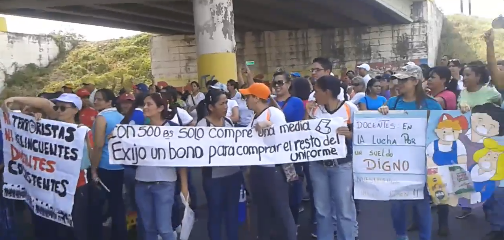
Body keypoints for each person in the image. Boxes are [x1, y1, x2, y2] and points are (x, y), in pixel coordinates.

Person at [3, 93, 92, 240]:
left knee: (75, 229)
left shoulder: (81, 132)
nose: (58, 111)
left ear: (76, 110)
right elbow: (44, 103)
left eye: (63, 108)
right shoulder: (49, 125)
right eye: (56, 107)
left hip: (75, 189)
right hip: (49, 187)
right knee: (55, 229)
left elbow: (87, 163)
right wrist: (14, 100)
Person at [378, 64, 442, 240]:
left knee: (421, 204)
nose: (398, 83)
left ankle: (425, 237)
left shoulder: (432, 105)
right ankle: (401, 235)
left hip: (422, 162)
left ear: (415, 81)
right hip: (397, 161)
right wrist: (381, 113)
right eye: (398, 79)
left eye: (404, 80)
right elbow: (380, 129)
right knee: (397, 204)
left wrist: (463, 111)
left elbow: (443, 130)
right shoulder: (392, 103)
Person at [239, 83, 297, 240]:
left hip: (274, 169)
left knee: (281, 209)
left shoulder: (273, 113)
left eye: (248, 96)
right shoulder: (254, 117)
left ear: (256, 98)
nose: (245, 100)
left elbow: (283, 136)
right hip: (259, 169)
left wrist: (268, 126)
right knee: (262, 210)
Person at [307, 75, 358, 240]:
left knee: (344, 209)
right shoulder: (314, 109)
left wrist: (350, 134)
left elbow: (364, 134)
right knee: (322, 210)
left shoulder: (350, 108)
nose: (314, 96)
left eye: (316, 91)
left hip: (342, 165)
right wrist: (307, 115)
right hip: (317, 165)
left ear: (327, 92)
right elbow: (304, 135)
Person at [134, 93, 189, 240]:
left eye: (149, 104)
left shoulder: (173, 129)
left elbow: (181, 159)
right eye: (144, 104)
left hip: (165, 184)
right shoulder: (138, 130)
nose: (145, 107)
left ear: (160, 108)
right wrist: (117, 140)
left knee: (164, 229)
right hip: (141, 183)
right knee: (148, 229)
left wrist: (184, 186)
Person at [196, 88, 242, 240]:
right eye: (222, 103)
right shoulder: (202, 126)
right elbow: (198, 153)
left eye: (226, 103)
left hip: (233, 175)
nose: (226, 107)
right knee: (215, 214)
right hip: (213, 178)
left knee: (232, 213)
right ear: (211, 107)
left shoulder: (229, 122)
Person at [89, 89, 128, 240]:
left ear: (109, 102)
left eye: (99, 99)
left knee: (99, 204)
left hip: (105, 165)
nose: (96, 101)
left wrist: (93, 169)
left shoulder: (101, 117)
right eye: (95, 99)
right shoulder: (121, 117)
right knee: (117, 203)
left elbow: (98, 145)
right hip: (120, 165)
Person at [272, 71, 305, 226]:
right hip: (272, 154)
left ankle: (294, 224)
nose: (277, 86)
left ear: (288, 84)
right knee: (275, 191)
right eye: (275, 83)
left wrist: (272, 107)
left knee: (293, 189)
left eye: (281, 82)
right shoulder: (268, 101)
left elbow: (291, 124)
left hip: (291, 152)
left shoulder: (296, 102)